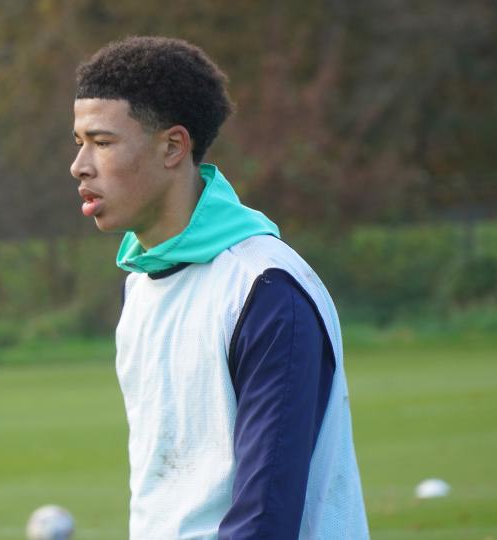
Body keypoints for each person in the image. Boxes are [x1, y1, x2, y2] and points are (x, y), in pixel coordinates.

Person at [70, 37, 369, 539]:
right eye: (78, 142)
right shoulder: (140, 284)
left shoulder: (264, 289)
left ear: (173, 147)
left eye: (101, 143)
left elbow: (265, 514)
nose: (80, 165)